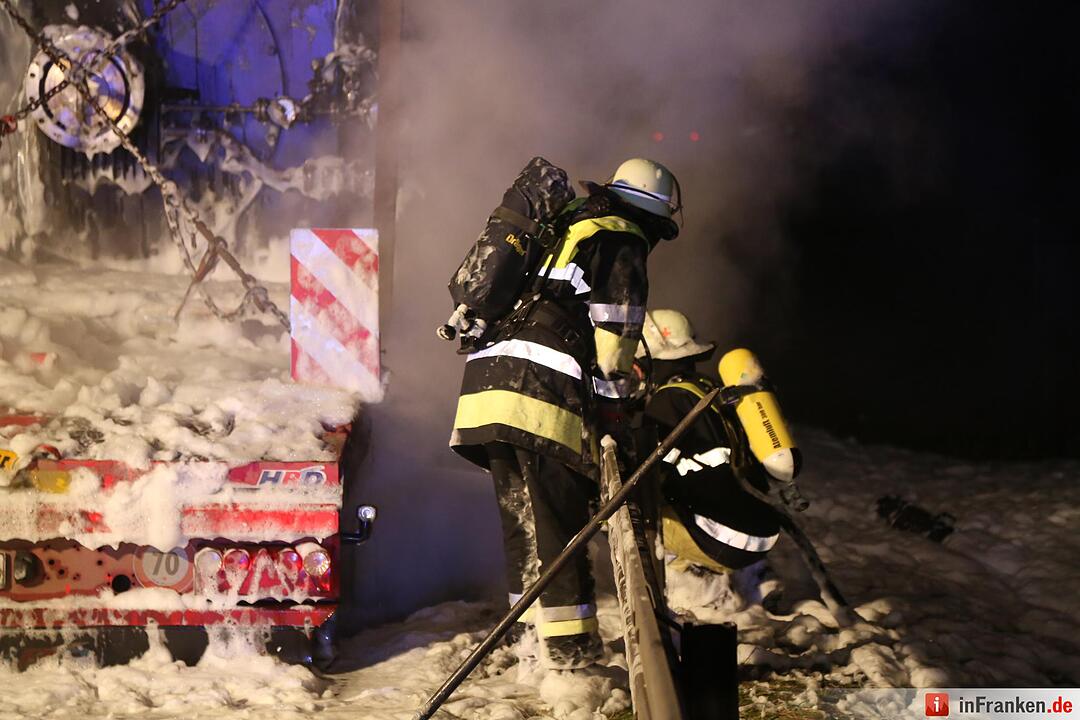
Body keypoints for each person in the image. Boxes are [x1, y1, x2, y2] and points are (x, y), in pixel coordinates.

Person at [449, 158, 681, 669]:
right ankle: (570, 655)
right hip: (538, 391)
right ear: (652, 216)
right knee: (560, 527)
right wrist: (615, 409)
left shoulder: (569, 221)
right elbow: (615, 338)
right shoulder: (622, 237)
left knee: (524, 524)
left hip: (487, 384)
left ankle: (530, 643)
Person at [637, 309, 784, 611]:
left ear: (651, 358)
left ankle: (701, 591)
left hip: (727, 540)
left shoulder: (667, 402)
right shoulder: (706, 389)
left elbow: (646, 477)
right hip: (762, 530)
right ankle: (757, 578)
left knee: (633, 513)